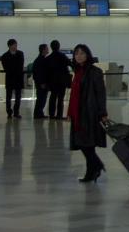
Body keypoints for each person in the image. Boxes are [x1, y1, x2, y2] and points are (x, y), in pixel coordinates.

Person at [68, 43, 108, 182]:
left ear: (88, 55)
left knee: (87, 144)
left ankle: (94, 169)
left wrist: (102, 112)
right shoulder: (78, 71)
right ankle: (94, 169)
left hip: (90, 113)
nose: (79, 56)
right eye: (76, 53)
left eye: (82, 53)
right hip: (78, 113)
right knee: (85, 145)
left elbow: (101, 93)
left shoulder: (94, 71)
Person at [0, 38, 25, 119]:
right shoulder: (4, 56)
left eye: (16, 45)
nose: (16, 46)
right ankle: (9, 112)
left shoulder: (20, 54)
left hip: (18, 79)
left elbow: (21, 65)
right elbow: (6, 68)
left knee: (18, 97)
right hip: (10, 79)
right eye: (14, 45)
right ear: (10, 46)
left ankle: (16, 112)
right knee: (8, 97)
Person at [46, 41, 72, 120]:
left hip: (52, 81)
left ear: (51, 47)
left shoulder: (48, 58)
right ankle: (59, 115)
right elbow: (70, 64)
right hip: (62, 81)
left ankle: (51, 115)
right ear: (59, 46)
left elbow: (46, 71)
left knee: (53, 97)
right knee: (61, 98)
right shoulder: (62, 56)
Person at [32, 43, 50, 119]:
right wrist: (42, 82)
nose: (48, 50)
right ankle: (38, 114)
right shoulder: (41, 60)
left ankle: (40, 113)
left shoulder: (41, 59)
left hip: (41, 82)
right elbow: (39, 73)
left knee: (42, 98)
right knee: (41, 98)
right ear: (43, 50)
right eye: (46, 48)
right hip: (41, 83)